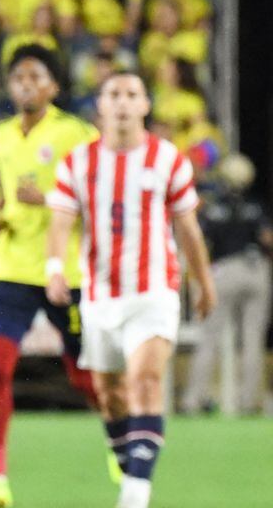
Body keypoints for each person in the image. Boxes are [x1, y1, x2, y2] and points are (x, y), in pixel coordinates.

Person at [44, 70, 216, 508]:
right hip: (100, 296)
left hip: (155, 290)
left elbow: (188, 228)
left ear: (144, 106)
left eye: (132, 94)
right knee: (110, 393)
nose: (122, 102)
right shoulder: (78, 161)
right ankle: (130, 462)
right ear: (101, 106)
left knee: (144, 378)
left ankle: (136, 493)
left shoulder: (169, 159)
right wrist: (54, 268)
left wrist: (203, 280)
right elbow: (61, 219)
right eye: (114, 94)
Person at [0, 45, 101, 508]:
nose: (24, 83)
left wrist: (50, 202)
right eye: (17, 77)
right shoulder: (1, 135)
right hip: (14, 267)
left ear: (53, 86)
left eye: (34, 76)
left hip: (68, 267)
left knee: (83, 375)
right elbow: (8, 194)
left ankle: (121, 440)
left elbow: (99, 199)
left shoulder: (78, 134)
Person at [182, 153, 273, 415]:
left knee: (209, 336)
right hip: (255, 269)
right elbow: (267, 238)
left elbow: (199, 244)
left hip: (223, 272)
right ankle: (249, 402)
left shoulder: (213, 208)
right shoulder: (256, 206)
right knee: (253, 339)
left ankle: (193, 400)